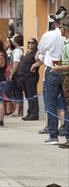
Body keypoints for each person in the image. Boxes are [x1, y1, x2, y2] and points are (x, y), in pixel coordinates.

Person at [32, 6, 66, 145]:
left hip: (52, 69)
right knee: (66, 103)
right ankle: (67, 134)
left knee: (51, 104)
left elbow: (39, 54)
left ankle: (53, 135)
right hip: (65, 70)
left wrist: (39, 61)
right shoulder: (65, 37)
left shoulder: (49, 35)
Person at [52, 17, 69, 148]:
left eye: (60, 27)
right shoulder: (66, 43)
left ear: (65, 28)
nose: (59, 30)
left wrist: (59, 68)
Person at [18, 37, 40, 121]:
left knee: (32, 95)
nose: (30, 44)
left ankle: (34, 113)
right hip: (23, 77)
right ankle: (30, 112)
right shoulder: (28, 52)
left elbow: (40, 60)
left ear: (36, 44)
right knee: (28, 95)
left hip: (30, 77)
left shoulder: (36, 53)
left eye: (32, 43)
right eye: (29, 42)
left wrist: (35, 66)